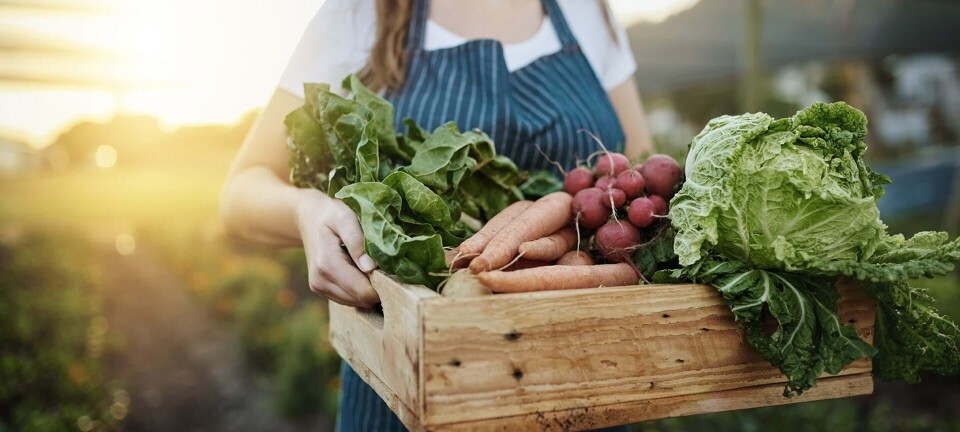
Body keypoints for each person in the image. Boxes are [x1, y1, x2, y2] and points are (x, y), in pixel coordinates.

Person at [221, 0, 653, 430]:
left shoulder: (586, 10)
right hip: (410, 385)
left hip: (585, 379)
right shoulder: (358, 13)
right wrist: (307, 210)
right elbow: (241, 190)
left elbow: (638, 177)